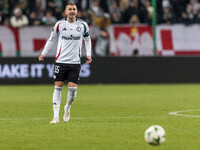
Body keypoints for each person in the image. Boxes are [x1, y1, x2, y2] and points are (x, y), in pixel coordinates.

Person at [38, 3, 92, 124]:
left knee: (72, 90)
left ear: (77, 11)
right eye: (70, 9)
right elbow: (51, 39)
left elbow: (87, 40)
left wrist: (88, 54)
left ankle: (67, 107)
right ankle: (55, 117)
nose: (72, 11)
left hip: (75, 62)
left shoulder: (83, 25)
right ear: (65, 12)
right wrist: (43, 53)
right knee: (58, 86)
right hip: (60, 61)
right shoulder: (59, 25)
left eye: (74, 9)